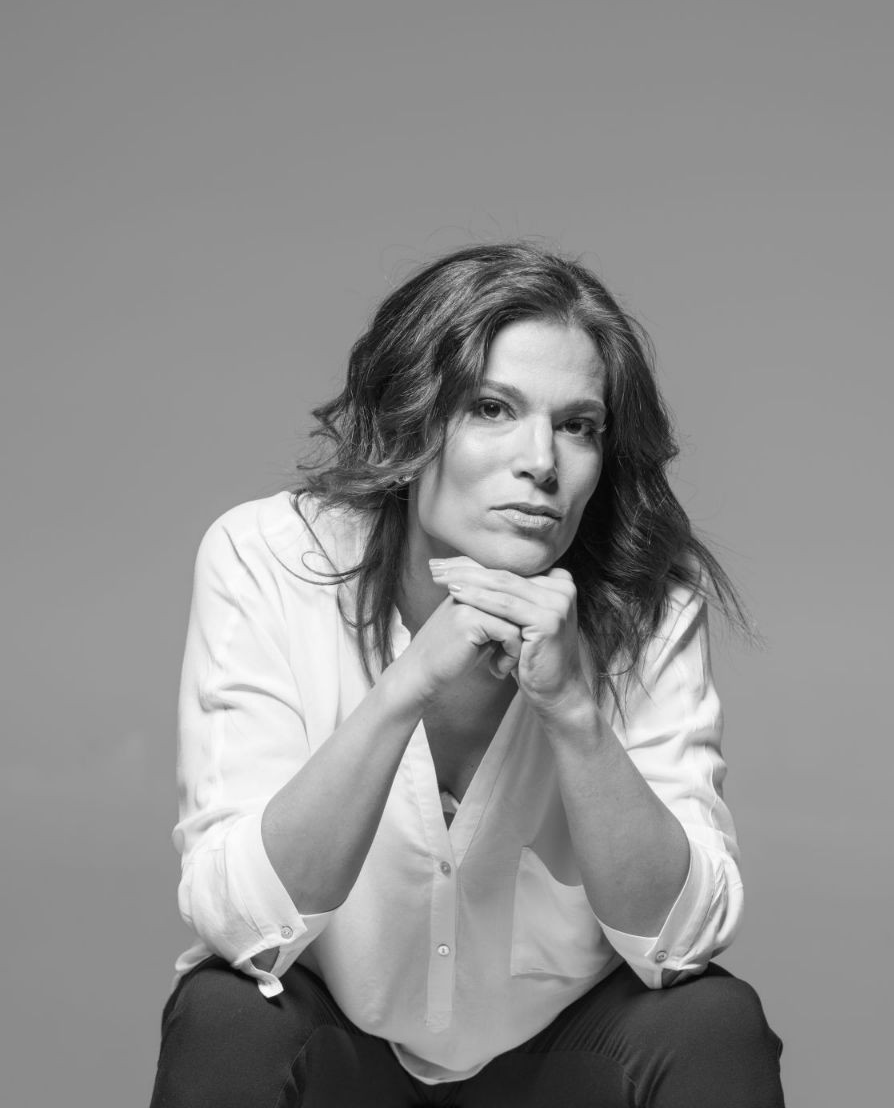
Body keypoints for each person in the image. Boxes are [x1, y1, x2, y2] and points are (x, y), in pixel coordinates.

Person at [150, 242, 785, 1107]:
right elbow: (242, 925)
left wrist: (572, 710)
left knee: (711, 1023)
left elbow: (681, 944)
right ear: (411, 419)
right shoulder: (269, 558)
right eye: (492, 408)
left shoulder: (650, 608)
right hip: (344, 1061)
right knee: (227, 1017)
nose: (542, 462)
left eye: (578, 425)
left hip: (556, 1069)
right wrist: (406, 685)